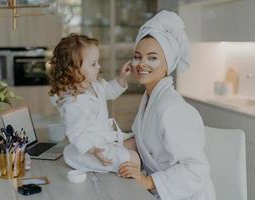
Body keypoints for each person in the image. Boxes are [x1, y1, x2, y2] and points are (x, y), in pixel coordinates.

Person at [118, 10, 216, 200]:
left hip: (184, 194)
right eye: (137, 56)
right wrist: (106, 145)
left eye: (152, 58)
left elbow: (196, 170)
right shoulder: (151, 98)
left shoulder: (173, 109)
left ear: (167, 64)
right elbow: (145, 141)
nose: (141, 64)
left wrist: (147, 181)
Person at [49, 33, 140, 173]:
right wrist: (93, 150)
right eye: (93, 64)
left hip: (105, 139)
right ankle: (80, 158)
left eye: (97, 62)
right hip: (91, 149)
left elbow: (109, 90)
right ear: (74, 70)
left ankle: (116, 154)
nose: (98, 66)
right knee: (132, 159)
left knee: (136, 143)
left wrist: (121, 78)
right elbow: (76, 133)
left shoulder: (95, 85)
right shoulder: (74, 101)